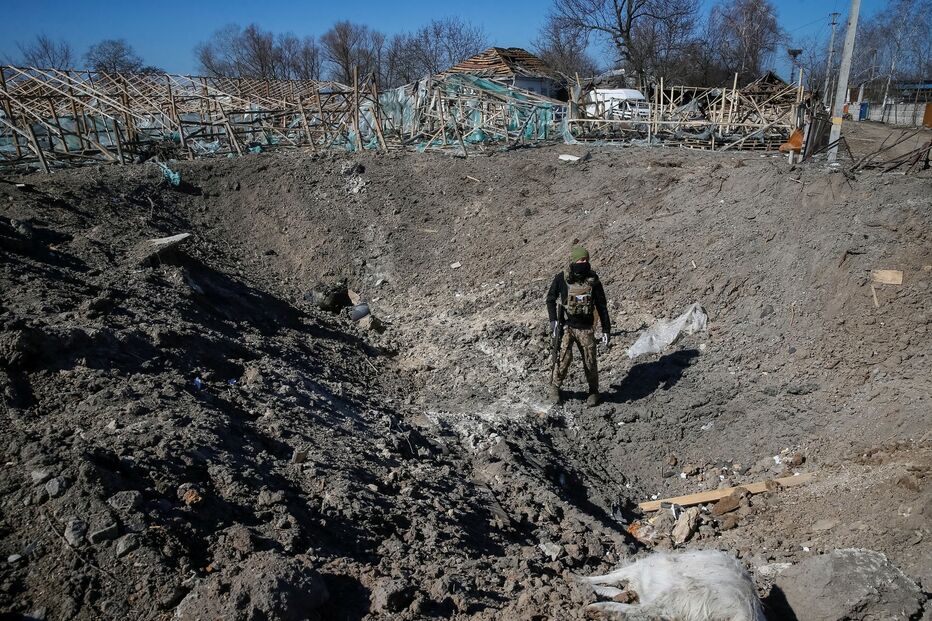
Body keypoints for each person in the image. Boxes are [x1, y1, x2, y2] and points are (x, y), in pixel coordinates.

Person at [546, 246, 611, 406]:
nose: (584, 262)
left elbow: (602, 306)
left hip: (586, 328)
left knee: (590, 361)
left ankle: (594, 391)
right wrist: (553, 320)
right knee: (563, 358)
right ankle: (555, 387)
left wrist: (606, 329)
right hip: (567, 326)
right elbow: (550, 299)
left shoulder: (593, 280)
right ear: (574, 261)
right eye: (581, 260)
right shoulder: (562, 278)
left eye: (586, 260)